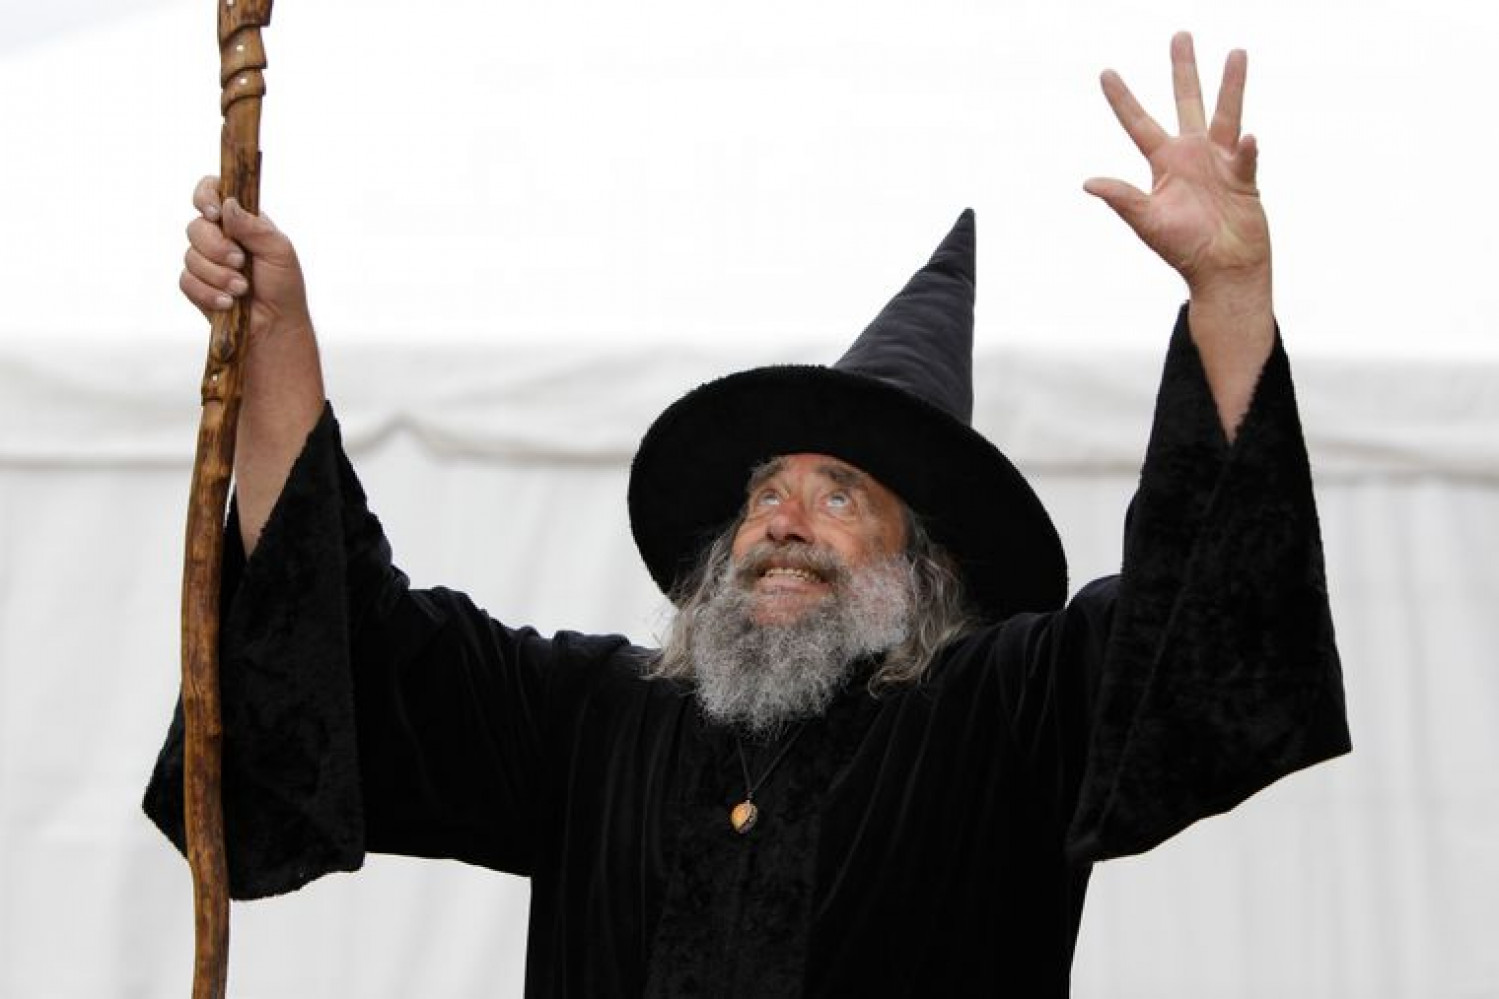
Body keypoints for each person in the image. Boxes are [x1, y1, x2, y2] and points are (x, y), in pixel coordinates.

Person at [146, 32, 1349, 997]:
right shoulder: (597, 721)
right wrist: (277, 337)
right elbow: (347, 637)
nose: (784, 519)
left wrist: (1228, 291)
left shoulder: (1000, 717)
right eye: (765, 492)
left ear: (923, 565)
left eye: (840, 495)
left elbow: (1199, 633)